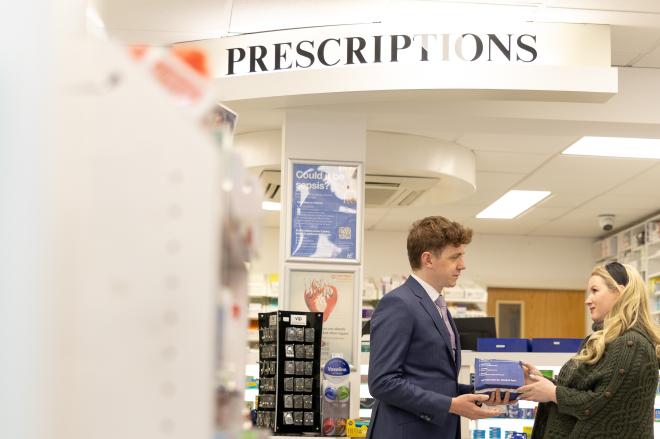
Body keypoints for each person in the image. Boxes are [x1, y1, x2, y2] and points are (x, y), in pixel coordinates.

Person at [367, 216, 502, 439]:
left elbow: (433, 381)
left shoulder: (437, 306)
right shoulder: (399, 303)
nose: (463, 265)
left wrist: (479, 394)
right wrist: (451, 405)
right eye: (455, 257)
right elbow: (382, 382)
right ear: (428, 259)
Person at [517, 261, 660, 438]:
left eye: (595, 290)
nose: (587, 300)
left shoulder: (631, 344)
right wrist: (542, 383)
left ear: (619, 292)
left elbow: (601, 404)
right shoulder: (607, 339)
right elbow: (589, 392)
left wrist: (552, 393)